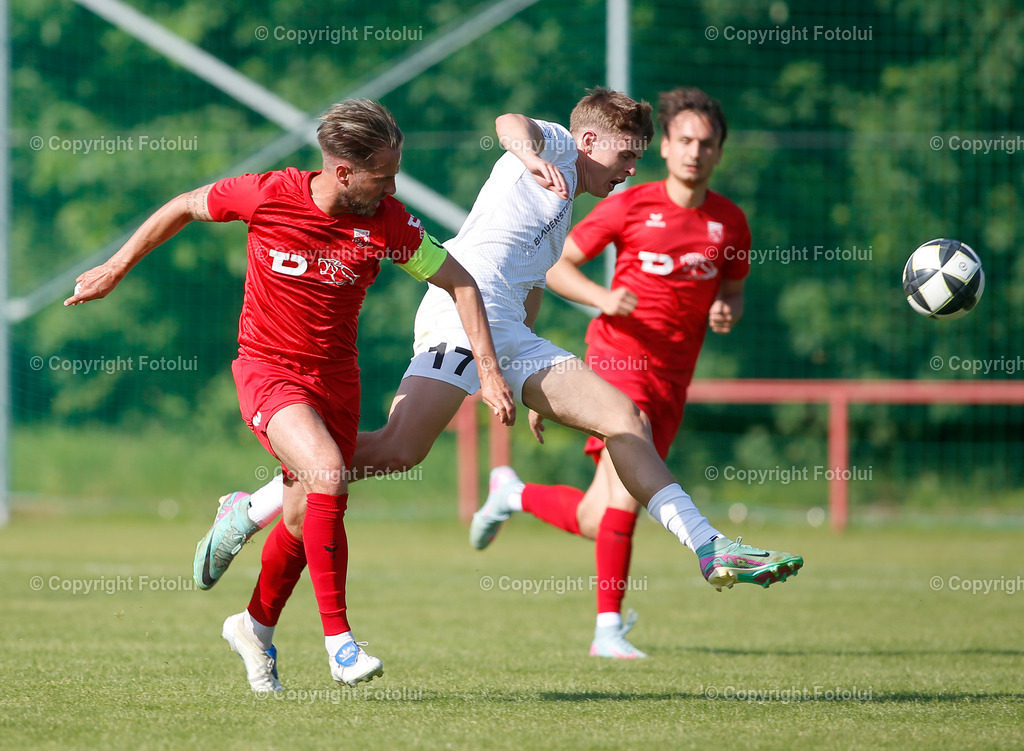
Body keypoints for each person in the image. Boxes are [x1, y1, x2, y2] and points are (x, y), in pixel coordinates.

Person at [193, 88, 803, 661]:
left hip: (510, 329)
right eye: (625, 155)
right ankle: (253, 506)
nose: (629, 170)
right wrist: (531, 153)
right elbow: (508, 123)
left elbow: (532, 288)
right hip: (459, 314)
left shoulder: (569, 205)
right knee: (399, 449)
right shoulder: (560, 148)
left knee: (624, 417)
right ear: (588, 143)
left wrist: (538, 386)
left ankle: (708, 544)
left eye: (639, 159)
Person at [64, 99, 516, 693]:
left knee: (307, 511)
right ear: (345, 172)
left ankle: (253, 620)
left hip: (337, 383)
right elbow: (182, 205)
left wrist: (487, 371)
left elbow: (458, 280)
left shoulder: (390, 224)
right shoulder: (267, 194)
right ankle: (341, 644)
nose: (394, 185)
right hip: (268, 370)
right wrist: (116, 266)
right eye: (384, 174)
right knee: (328, 473)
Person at [477, 87, 752, 659]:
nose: (694, 153)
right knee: (626, 503)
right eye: (684, 141)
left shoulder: (729, 223)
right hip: (619, 362)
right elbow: (558, 272)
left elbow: (732, 293)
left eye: (707, 144)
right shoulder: (630, 205)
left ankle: (513, 494)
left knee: (595, 514)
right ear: (670, 147)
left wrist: (727, 309)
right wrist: (604, 299)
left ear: (719, 151)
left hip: (674, 377)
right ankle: (608, 630)